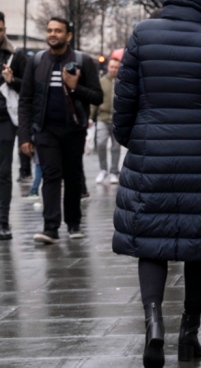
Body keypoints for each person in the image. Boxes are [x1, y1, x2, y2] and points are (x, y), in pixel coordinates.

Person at [112, 0, 201, 368]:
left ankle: (154, 321)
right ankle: (189, 333)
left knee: (149, 240)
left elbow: (125, 97)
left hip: (151, 149)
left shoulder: (143, 33)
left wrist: (132, 139)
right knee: (198, 243)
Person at [18, 17, 102, 245]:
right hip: (45, 130)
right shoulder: (36, 62)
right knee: (51, 175)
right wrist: (24, 136)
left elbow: (97, 96)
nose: (52, 34)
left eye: (58, 31)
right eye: (50, 30)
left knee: (73, 177)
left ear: (68, 35)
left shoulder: (82, 61)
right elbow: (25, 100)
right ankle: (50, 228)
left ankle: (74, 224)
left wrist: (75, 88)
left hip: (74, 130)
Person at [0, 11, 27, 240]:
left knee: (3, 172)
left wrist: (12, 81)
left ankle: (3, 222)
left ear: (4, 29)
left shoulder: (15, 56)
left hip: (5, 121)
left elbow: (28, 89)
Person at [91, 49, 123, 185]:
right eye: (112, 67)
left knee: (116, 147)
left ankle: (114, 171)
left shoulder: (123, 82)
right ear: (108, 67)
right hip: (102, 118)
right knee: (101, 143)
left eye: (116, 67)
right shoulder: (102, 81)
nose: (114, 70)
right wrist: (90, 117)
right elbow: (95, 100)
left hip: (117, 120)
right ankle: (103, 169)